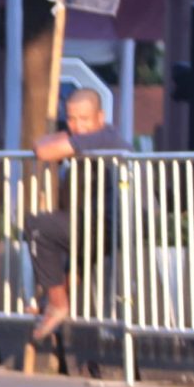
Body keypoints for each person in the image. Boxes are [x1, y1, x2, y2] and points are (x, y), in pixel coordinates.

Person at [25, 86, 123, 344]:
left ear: (100, 117)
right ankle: (50, 300)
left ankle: (57, 305)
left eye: (84, 119)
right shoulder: (94, 136)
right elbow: (39, 145)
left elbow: (43, 150)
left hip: (108, 223)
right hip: (99, 223)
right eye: (71, 119)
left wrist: (66, 135)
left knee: (38, 226)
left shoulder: (102, 138)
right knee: (73, 257)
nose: (77, 126)